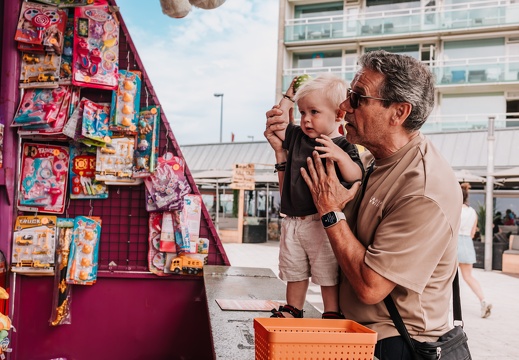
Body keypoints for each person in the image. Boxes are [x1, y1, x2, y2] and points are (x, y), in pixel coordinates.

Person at [265, 50, 462, 359]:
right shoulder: (371, 161)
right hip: (358, 333)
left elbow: (371, 287)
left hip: (396, 345)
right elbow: (299, 203)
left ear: (398, 113)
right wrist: (281, 155)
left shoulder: (423, 189)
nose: (344, 107)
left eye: (357, 98)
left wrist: (330, 212)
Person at [267, 73, 364, 319]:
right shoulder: (298, 136)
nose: (306, 120)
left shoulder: (342, 145)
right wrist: (289, 95)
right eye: (302, 113)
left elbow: (355, 175)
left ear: (339, 115)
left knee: (326, 271)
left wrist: (340, 157)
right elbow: (277, 121)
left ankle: (331, 311)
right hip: (293, 220)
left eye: (314, 112)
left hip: (321, 221)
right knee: (295, 269)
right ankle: (293, 308)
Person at [458, 183, 492, 318]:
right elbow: (473, 233)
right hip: (467, 244)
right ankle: (483, 300)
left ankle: (447, 307)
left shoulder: (454, 209)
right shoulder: (473, 212)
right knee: (469, 277)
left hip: (454, 243)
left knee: (447, 278)